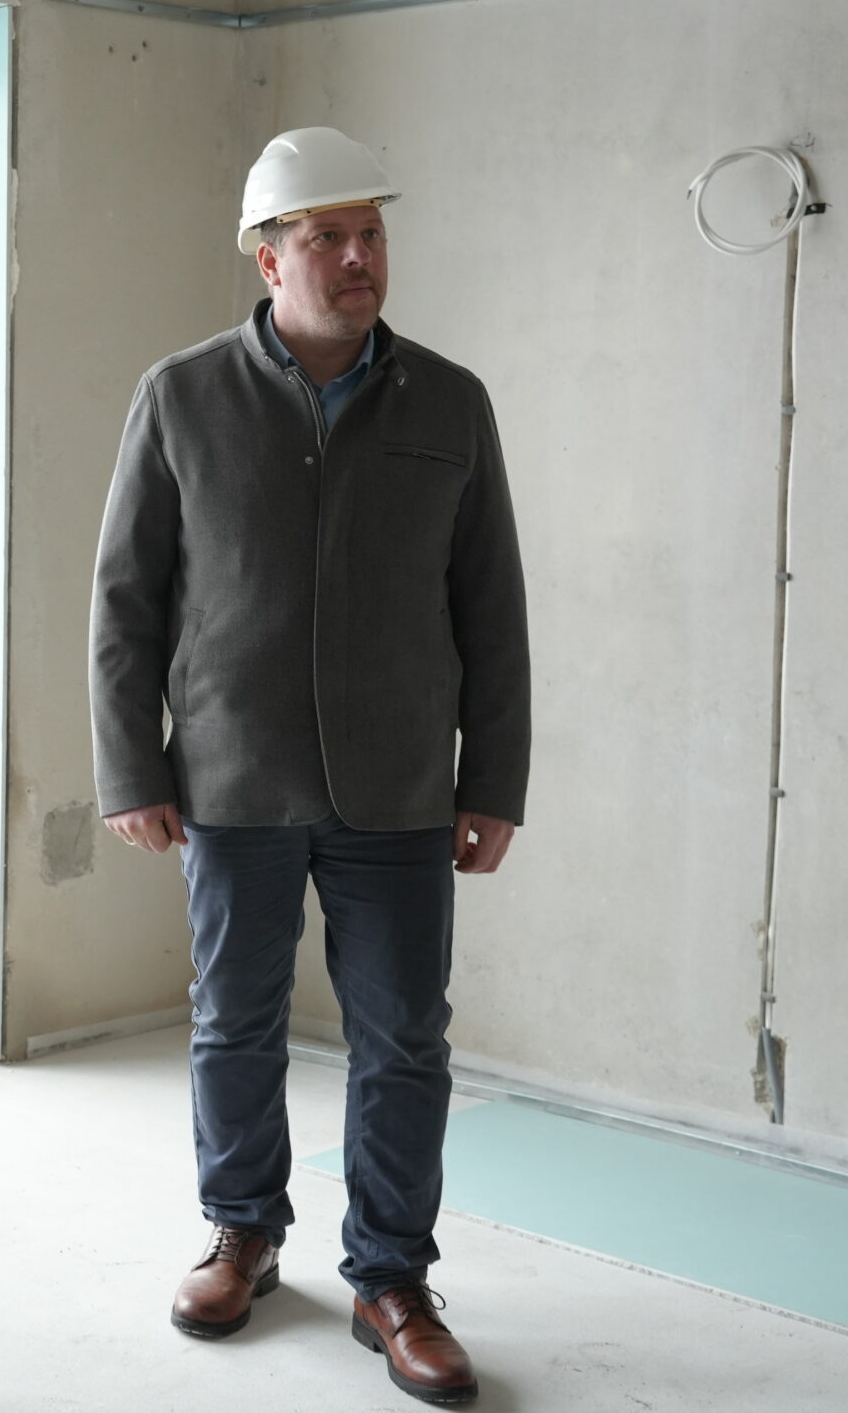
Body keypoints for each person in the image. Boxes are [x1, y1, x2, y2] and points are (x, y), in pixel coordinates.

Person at [88, 127, 530, 1406]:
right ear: (267, 257)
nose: (356, 257)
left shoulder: (449, 402)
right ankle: (241, 1234)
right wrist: (129, 768)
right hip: (232, 776)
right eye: (326, 237)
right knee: (233, 1021)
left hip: (401, 786)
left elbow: (491, 605)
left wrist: (492, 780)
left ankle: (392, 1279)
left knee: (404, 1039)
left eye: (370, 234)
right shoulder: (180, 396)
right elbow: (126, 599)